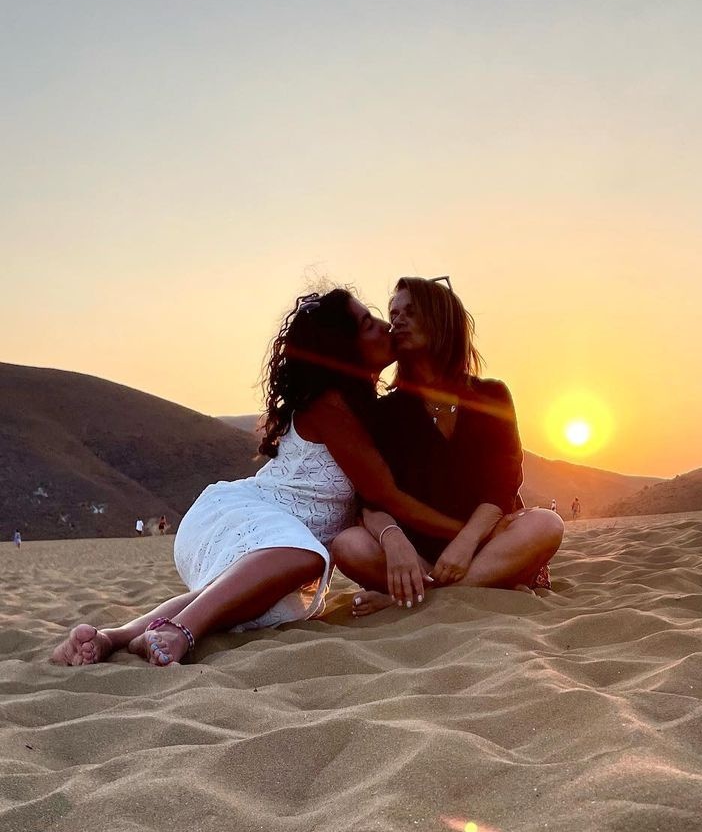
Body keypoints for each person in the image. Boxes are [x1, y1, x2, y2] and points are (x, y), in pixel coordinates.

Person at [51, 286, 462, 666]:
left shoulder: (363, 407)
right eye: (369, 324)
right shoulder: (329, 405)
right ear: (345, 348)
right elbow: (384, 493)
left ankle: (114, 637)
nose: (386, 326)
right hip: (244, 514)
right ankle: (180, 632)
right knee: (302, 559)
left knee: (228, 598)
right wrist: (466, 534)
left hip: (274, 540)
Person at [332, 276, 563, 614]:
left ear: (442, 319)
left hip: (485, 541)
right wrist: (394, 541)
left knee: (547, 523)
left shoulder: (491, 395)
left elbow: (502, 486)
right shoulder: (385, 412)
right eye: (394, 314)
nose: (397, 320)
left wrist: (466, 542)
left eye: (411, 311)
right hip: (420, 552)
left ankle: (423, 597)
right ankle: (471, 587)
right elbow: (372, 499)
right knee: (347, 544)